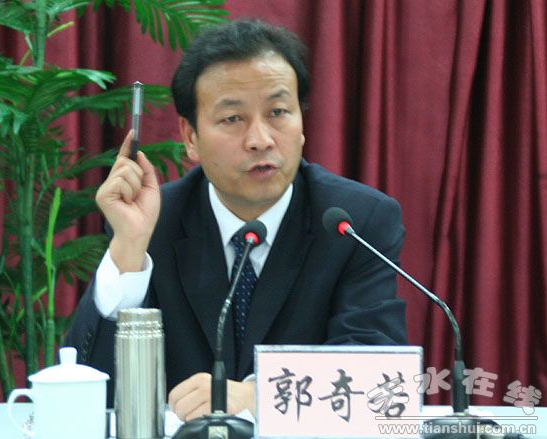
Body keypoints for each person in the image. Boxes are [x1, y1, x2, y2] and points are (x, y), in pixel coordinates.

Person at [66, 18, 407, 422]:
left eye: (278, 112)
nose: (260, 139)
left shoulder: (355, 222)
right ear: (190, 137)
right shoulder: (154, 221)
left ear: (301, 126)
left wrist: (258, 395)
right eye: (232, 118)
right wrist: (128, 252)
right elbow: (90, 390)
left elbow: (376, 371)